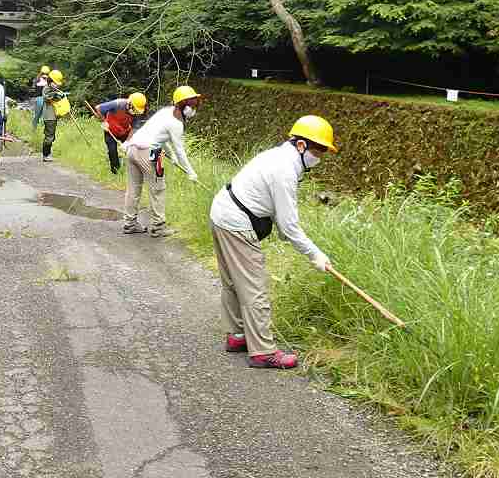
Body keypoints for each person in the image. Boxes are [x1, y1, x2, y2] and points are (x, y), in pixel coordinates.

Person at [210, 115, 337, 369]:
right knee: (253, 286)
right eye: (318, 149)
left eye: (324, 150)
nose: (320, 155)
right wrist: (315, 255)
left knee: (233, 281)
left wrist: (298, 243)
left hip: (221, 212)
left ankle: (237, 336)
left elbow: (281, 220)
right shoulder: (284, 170)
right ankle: (263, 351)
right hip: (235, 221)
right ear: (300, 145)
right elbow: (289, 227)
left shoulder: (279, 157)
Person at [122, 85, 201, 238]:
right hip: (150, 153)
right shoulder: (177, 124)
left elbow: (158, 134)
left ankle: (129, 224)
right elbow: (180, 150)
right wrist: (191, 172)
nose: (194, 108)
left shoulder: (165, 111)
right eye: (192, 105)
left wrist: (171, 155)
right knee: (159, 188)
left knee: (133, 189)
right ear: (183, 105)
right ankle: (159, 226)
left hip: (133, 149)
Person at [94, 92, 147, 174]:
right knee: (112, 151)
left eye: (137, 110)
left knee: (134, 147)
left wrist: (127, 142)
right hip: (110, 130)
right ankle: (116, 172)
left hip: (124, 131)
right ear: (130, 103)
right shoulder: (118, 104)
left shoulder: (137, 114)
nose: (135, 111)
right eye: (134, 108)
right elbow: (98, 108)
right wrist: (103, 121)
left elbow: (133, 129)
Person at [41, 69, 67, 162]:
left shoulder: (53, 89)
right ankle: (45, 155)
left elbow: (58, 99)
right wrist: (55, 94)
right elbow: (47, 97)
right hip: (49, 117)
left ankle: (47, 153)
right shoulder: (46, 89)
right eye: (55, 83)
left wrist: (61, 95)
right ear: (50, 81)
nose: (56, 85)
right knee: (49, 136)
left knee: (51, 136)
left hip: (53, 116)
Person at [31, 65, 50, 132]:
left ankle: (34, 129)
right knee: (43, 116)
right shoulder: (48, 81)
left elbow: (33, 89)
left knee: (36, 116)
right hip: (45, 99)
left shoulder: (37, 79)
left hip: (37, 99)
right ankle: (42, 130)